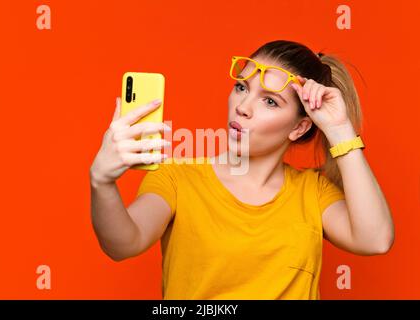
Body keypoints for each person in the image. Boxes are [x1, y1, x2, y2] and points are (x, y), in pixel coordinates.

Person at [89, 40, 394, 299]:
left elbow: (376, 239)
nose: (243, 106)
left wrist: (339, 130)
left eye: (270, 102)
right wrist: (101, 182)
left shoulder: (312, 193)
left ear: (300, 127)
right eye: (241, 87)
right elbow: (123, 243)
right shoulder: (177, 177)